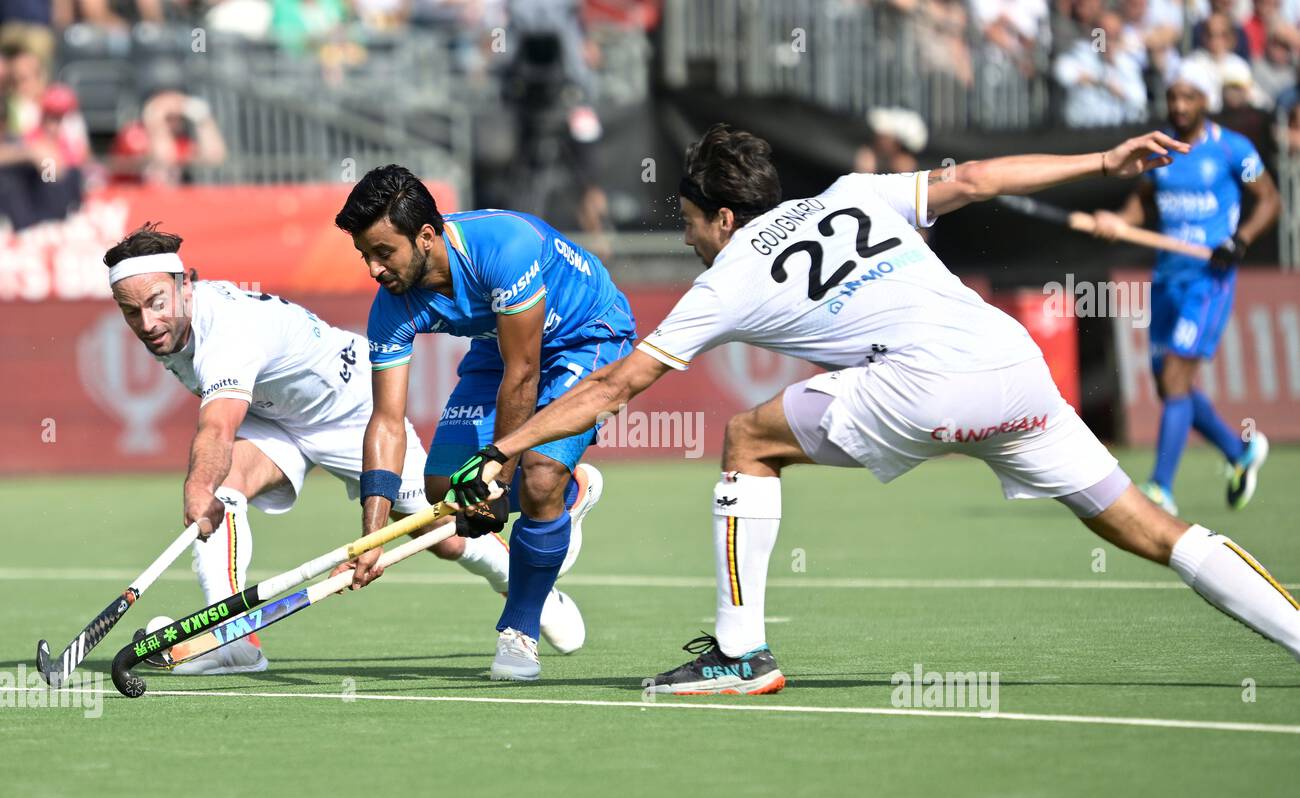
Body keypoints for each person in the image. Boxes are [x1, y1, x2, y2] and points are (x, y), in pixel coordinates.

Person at [446, 123, 1300, 695]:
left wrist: (507, 448)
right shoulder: (853, 192)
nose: (687, 236)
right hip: (1013, 365)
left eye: (693, 221)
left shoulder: (729, 275)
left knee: (748, 437)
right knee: (1151, 530)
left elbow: (610, 388)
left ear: (727, 216)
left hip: (926, 383)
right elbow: (974, 179)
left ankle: (742, 654)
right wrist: (1102, 163)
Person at [104, 224, 586, 675]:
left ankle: (534, 588)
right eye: (132, 312)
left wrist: (196, 482)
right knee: (226, 490)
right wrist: (209, 485)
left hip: (352, 409)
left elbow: (217, 426)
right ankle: (234, 640)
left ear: (185, 285)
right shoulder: (172, 326)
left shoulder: (226, 332)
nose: (147, 322)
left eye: (156, 302)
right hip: (279, 419)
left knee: (445, 533)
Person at [334, 166, 635, 682]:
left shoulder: (503, 247)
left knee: (535, 474)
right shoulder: (392, 306)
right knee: (442, 488)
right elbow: (386, 421)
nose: (373, 269)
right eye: (365, 254)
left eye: (384, 252)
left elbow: (525, 375)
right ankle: (567, 495)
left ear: (426, 236)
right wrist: (372, 534)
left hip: (588, 337)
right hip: (502, 346)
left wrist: (495, 481)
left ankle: (519, 632)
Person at [1093, 60, 1280, 516]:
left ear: (1206, 100)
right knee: (1165, 383)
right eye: (1173, 96)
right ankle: (1239, 451)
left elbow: (1269, 200)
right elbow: (1140, 204)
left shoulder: (1236, 152)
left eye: (1188, 97)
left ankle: (1160, 488)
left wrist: (1241, 240)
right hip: (1167, 278)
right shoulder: (1160, 151)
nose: (1178, 106)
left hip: (1208, 281)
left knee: (1177, 377)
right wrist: (1118, 222)